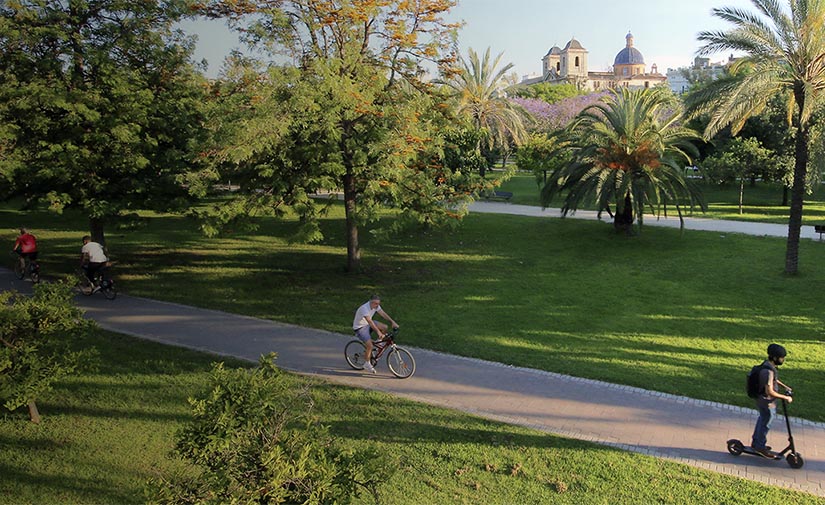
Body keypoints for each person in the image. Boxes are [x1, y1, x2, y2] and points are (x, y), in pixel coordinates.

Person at [751, 343, 793, 457]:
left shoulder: (768, 365)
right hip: (767, 402)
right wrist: (785, 397)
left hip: (766, 402)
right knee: (765, 424)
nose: (783, 360)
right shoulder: (768, 371)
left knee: (762, 420)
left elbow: (774, 380)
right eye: (781, 358)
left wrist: (785, 386)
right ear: (775, 358)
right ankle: (760, 447)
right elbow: (769, 391)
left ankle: (756, 442)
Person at [352, 295, 398, 374]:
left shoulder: (375, 306)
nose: (377, 306)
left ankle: (378, 344)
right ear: (370, 302)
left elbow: (383, 314)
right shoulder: (364, 308)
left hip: (368, 325)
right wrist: (378, 332)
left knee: (384, 327)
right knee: (369, 345)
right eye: (375, 304)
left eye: (378, 304)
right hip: (360, 328)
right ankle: (367, 364)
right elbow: (370, 321)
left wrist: (392, 321)